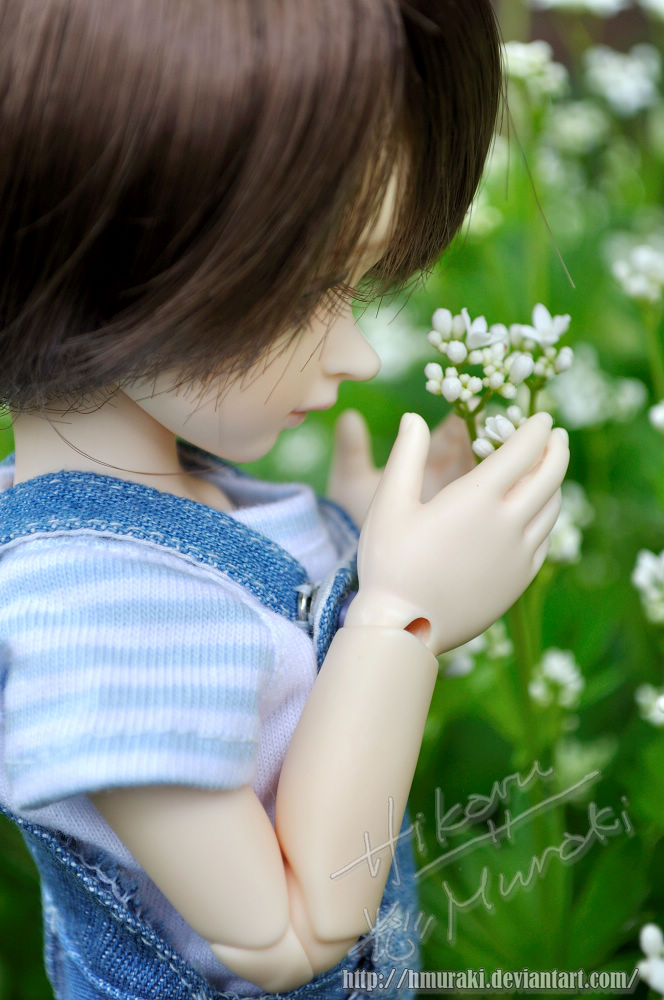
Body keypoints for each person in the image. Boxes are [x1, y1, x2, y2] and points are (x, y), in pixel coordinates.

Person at [0, 2, 569, 998]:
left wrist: (352, 547)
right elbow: (291, 931)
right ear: (116, 262)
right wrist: (398, 615)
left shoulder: (162, 502)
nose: (355, 352)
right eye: (310, 292)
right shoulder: (96, 619)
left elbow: (282, 683)